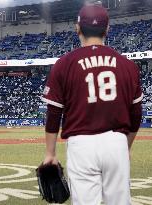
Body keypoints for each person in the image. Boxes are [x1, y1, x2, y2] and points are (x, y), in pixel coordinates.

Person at [41, 4, 142, 205]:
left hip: (82, 144)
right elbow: (136, 114)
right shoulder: (127, 65)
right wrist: (126, 146)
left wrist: (50, 153)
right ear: (107, 29)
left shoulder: (64, 64)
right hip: (116, 142)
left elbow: (54, 113)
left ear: (77, 28)